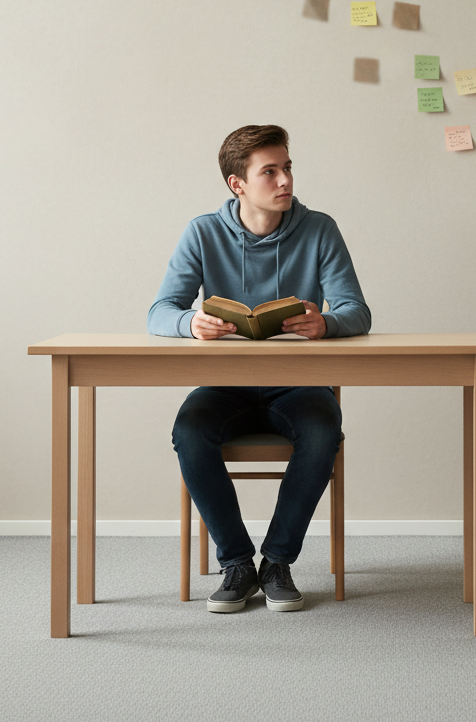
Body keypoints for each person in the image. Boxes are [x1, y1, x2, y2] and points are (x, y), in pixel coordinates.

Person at [148, 124, 371, 614]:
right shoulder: (203, 231)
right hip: (225, 386)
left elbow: (358, 311)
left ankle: (277, 562)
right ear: (238, 184)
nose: (285, 180)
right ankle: (237, 564)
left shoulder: (319, 228)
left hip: (299, 386)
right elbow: (159, 311)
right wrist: (192, 322)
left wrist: (325, 323)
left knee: (323, 429)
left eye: (287, 167)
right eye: (269, 171)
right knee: (189, 430)